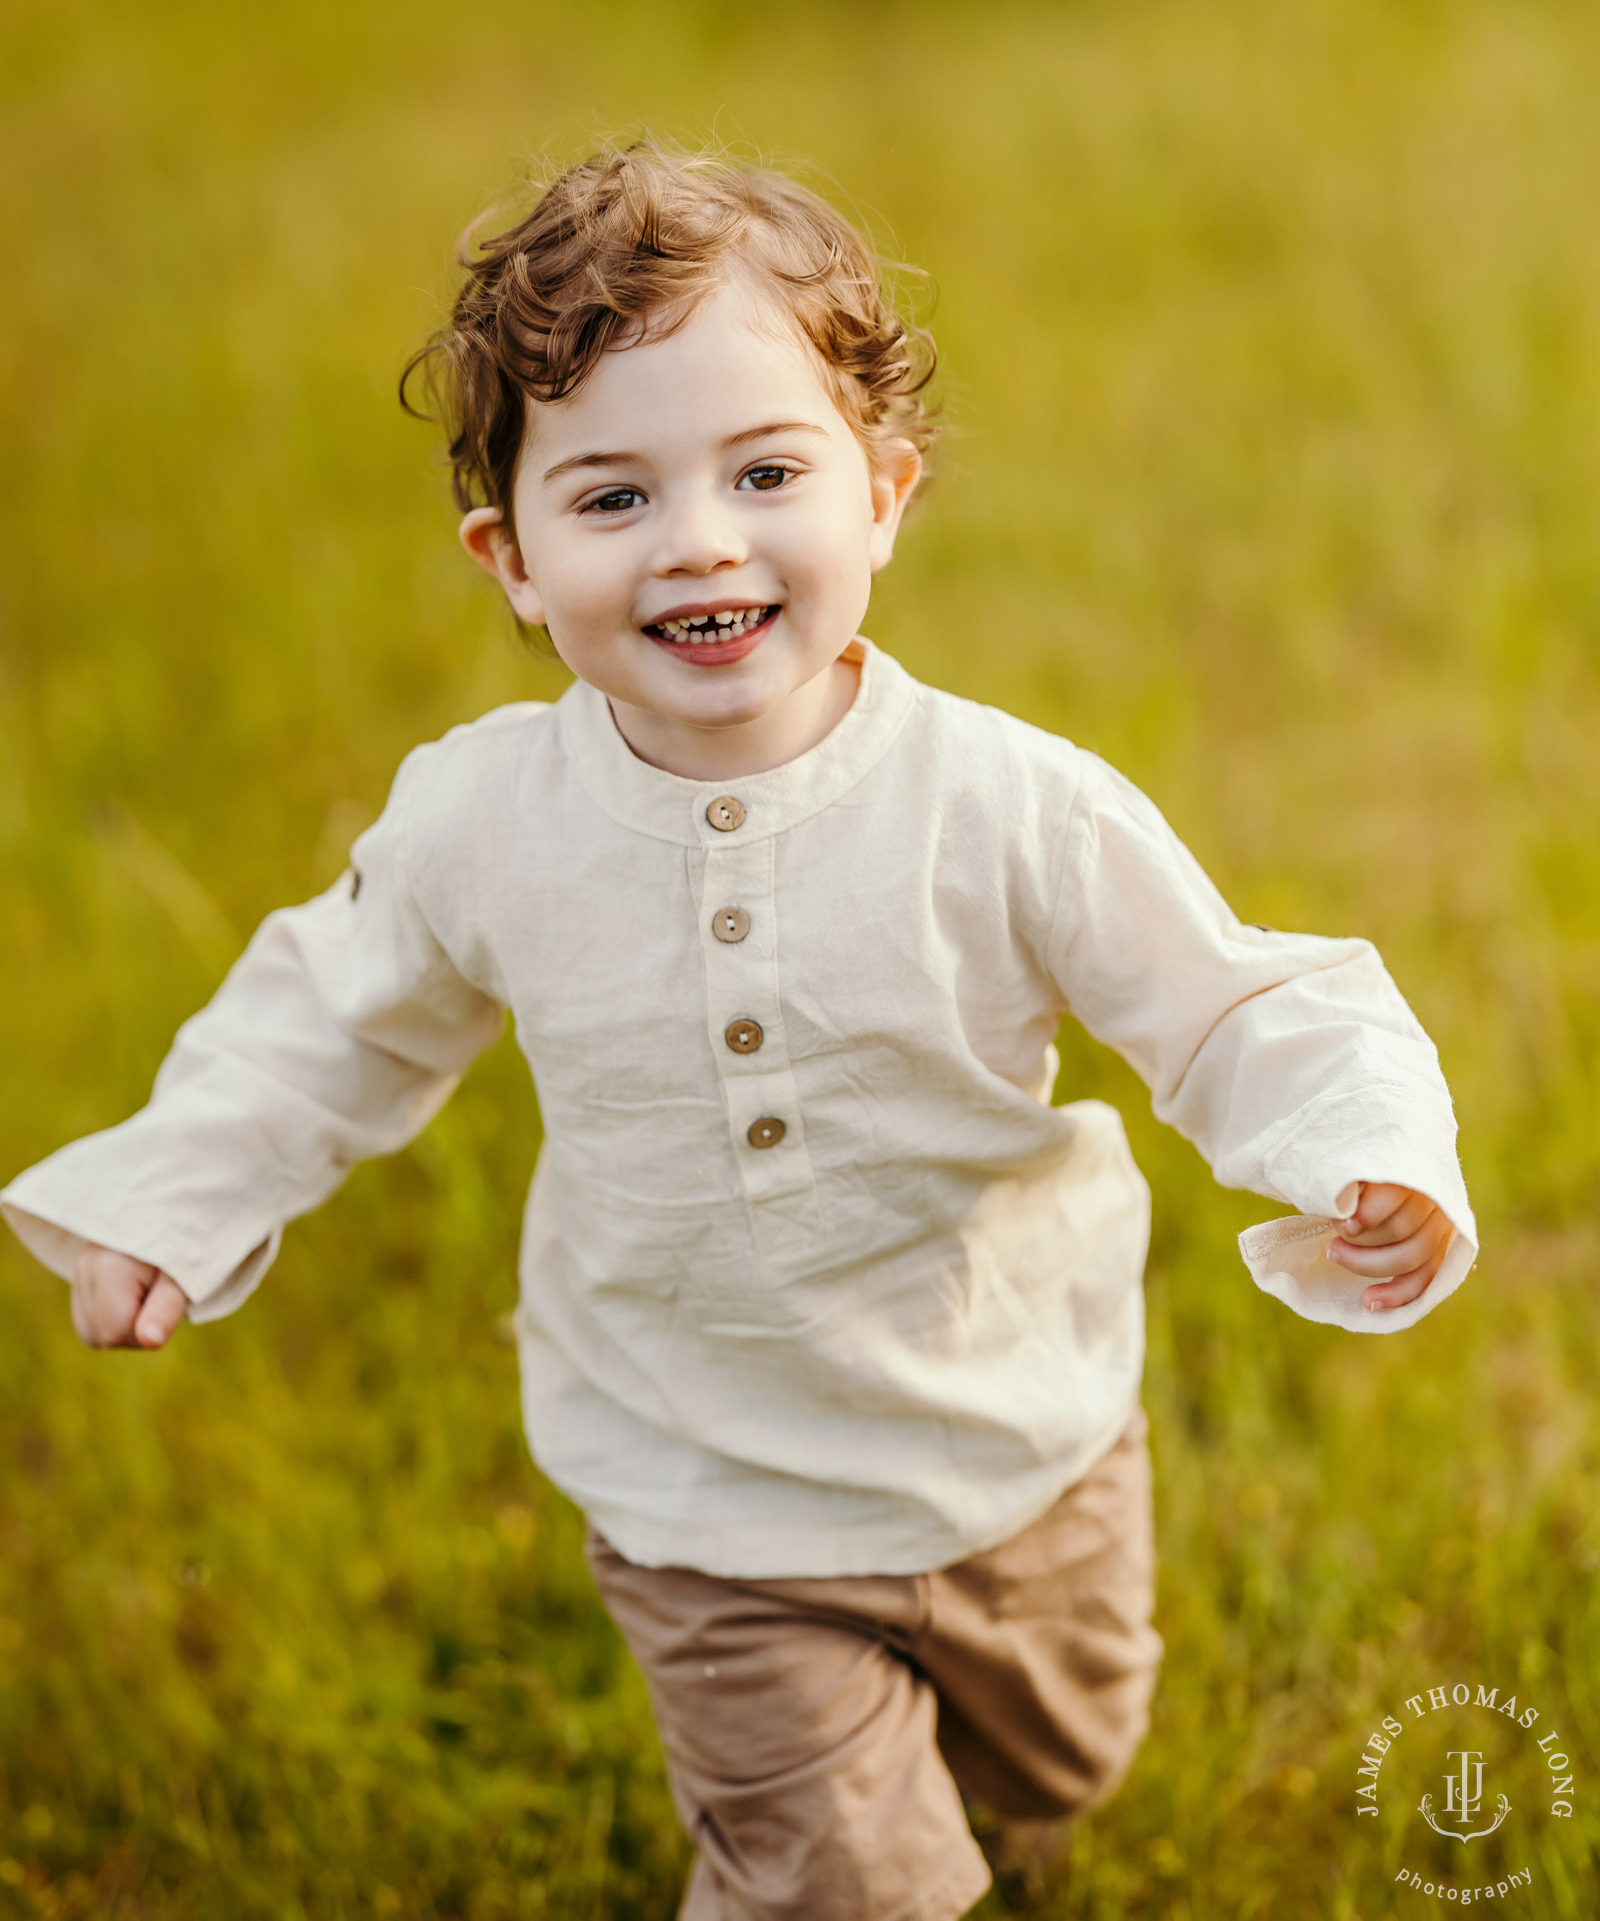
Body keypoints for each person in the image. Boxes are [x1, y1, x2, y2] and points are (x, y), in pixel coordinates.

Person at [2, 145, 1475, 1920]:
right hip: (699, 1487)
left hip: (1015, 1428)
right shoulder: (488, 821)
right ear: (513, 560)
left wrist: (1360, 1143)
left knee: (1059, 1772)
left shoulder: (1003, 806)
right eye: (612, 498)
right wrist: (173, 1192)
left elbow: (1229, 1002)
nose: (700, 537)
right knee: (841, 1887)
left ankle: (971, 1800)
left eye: (766, 471)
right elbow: (332, 1011)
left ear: (883, 497)